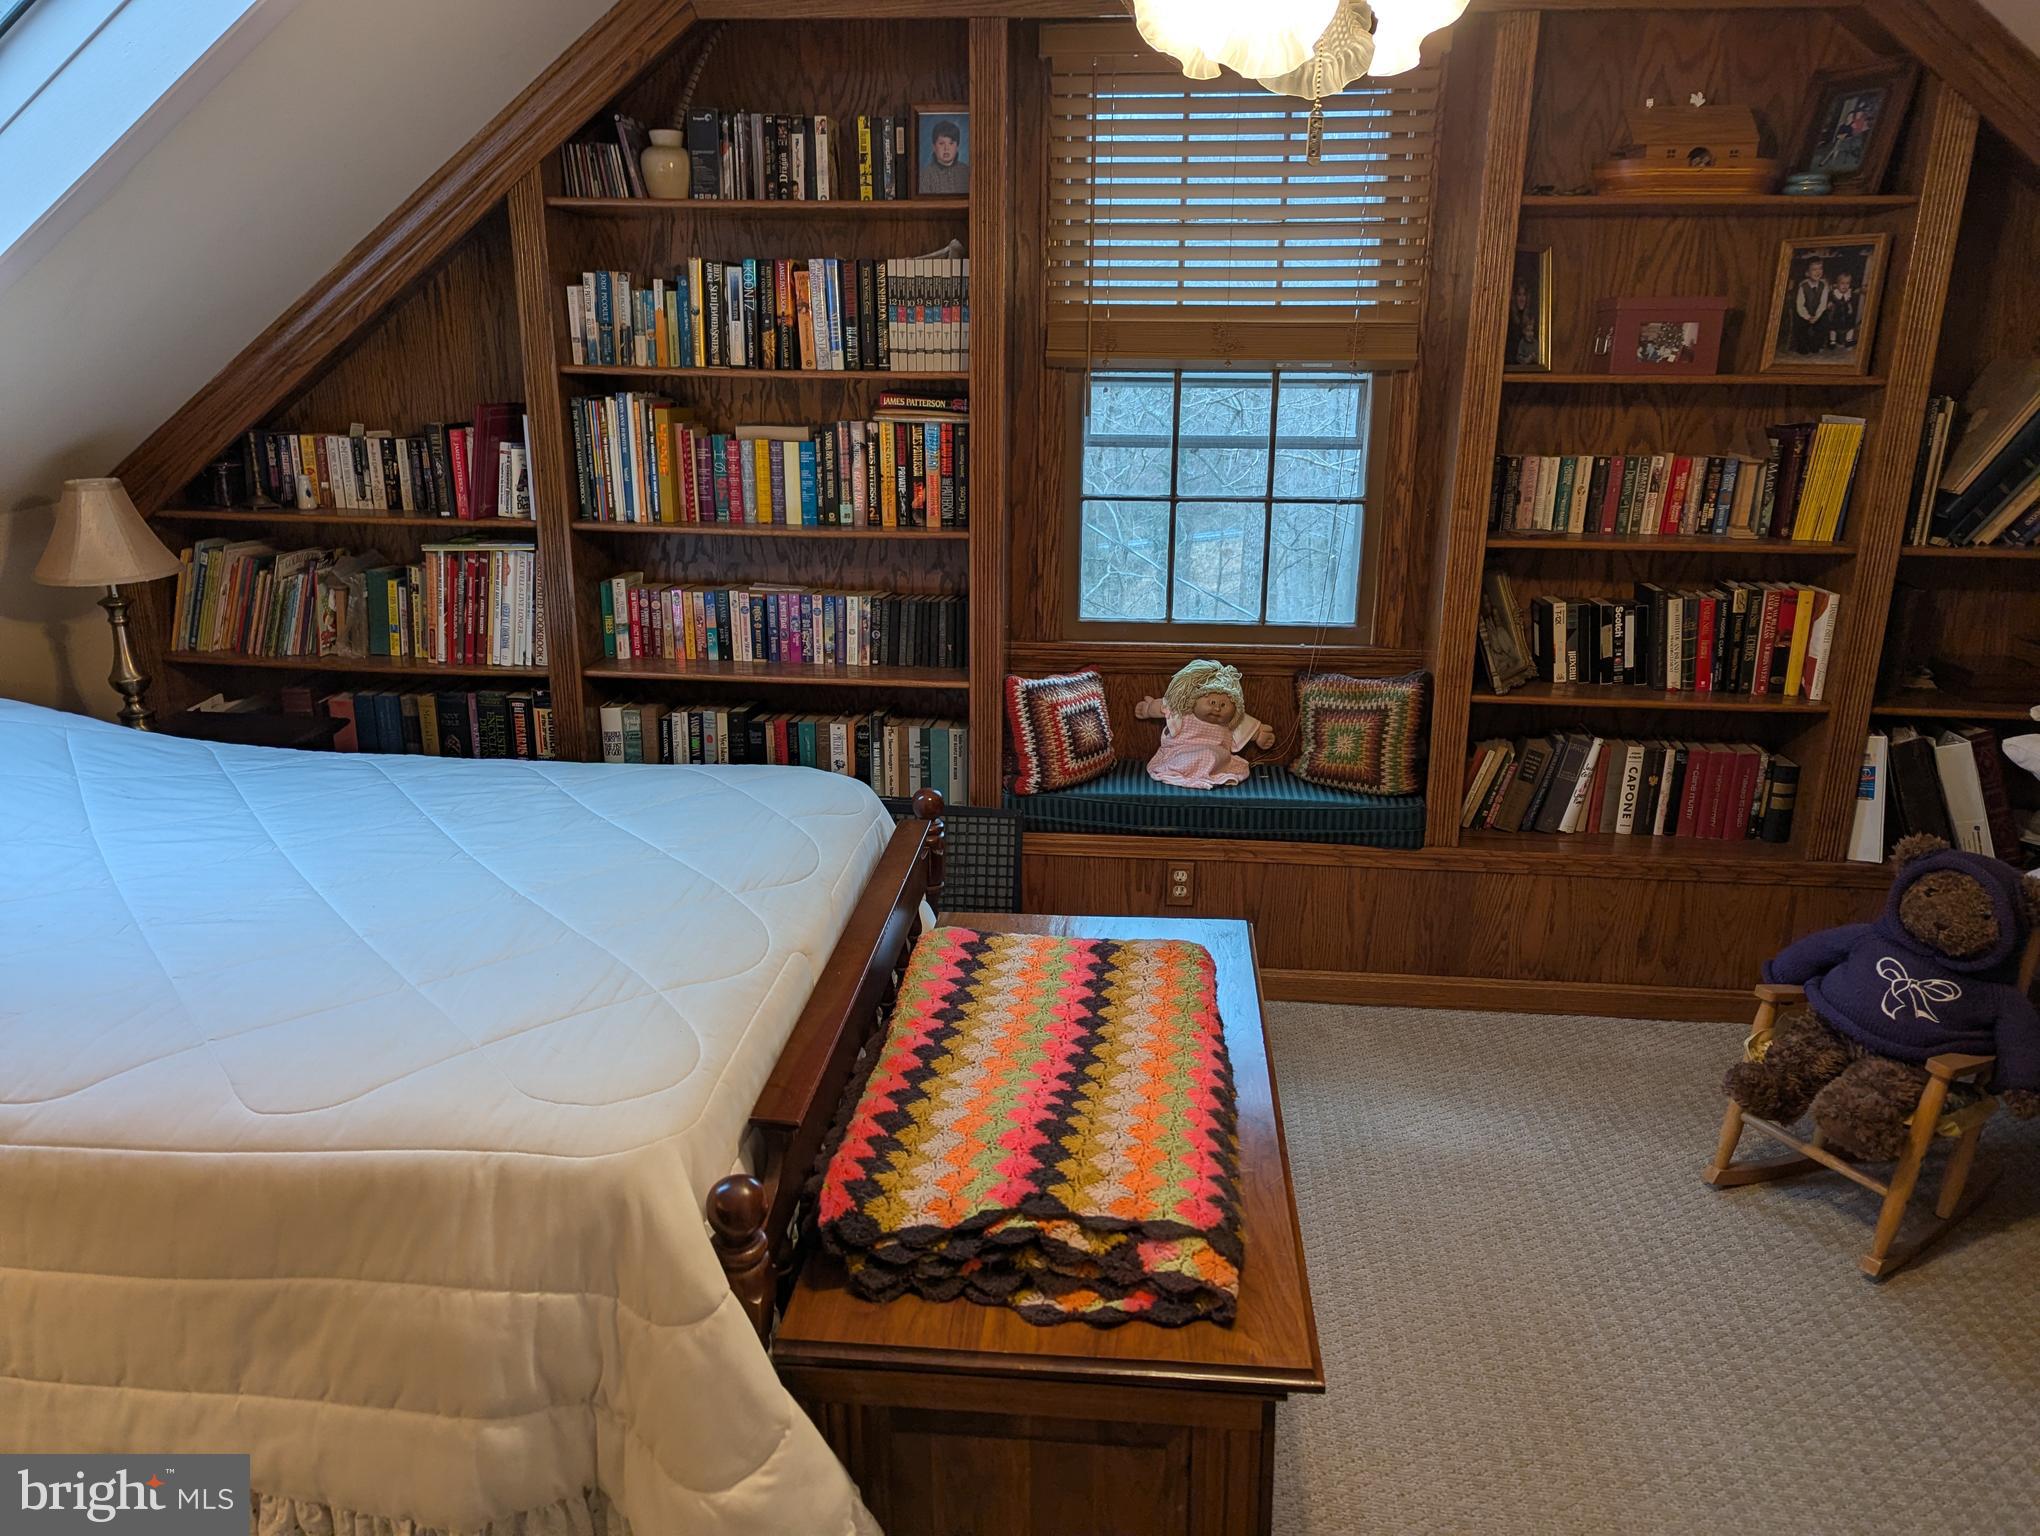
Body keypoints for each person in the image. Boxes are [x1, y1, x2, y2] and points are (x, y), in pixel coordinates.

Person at [1135, 660, 1275, 789]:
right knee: (1187, 758)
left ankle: (1202, 774)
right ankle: (1187, 773)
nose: (1217, 709)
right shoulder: (1184, 712)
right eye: (1212, 702)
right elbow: (1165, 706)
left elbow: (1249, 727)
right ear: (1195, 699)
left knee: (1210, 755)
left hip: (1217, 757)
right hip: (1181, 751)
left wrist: (1260, 735)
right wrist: (1149, 709)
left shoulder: (1231, 721)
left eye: (1223, 704)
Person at [1788, 257, 1829, 355]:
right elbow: (1800, 305)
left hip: (1817, 313)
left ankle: (1815, 345)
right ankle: (1802, 346)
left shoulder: (1824, 285)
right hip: (1804, 313)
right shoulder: (1803, 286)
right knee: (1800, 326)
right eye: (1814, 269)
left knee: (1823, 322)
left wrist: (1816, 316)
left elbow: (1823, 303)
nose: (1818, 272)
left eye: (1820, 268)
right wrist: (1807, 317)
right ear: (1807, 273)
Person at [919, 118, 969, 195]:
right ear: (934, 147)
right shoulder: (925, 176)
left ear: (957, 146)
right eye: (941, 143)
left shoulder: (966, 172)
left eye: (951, 143)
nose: (946, 148)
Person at [1823, 267, 1861, 356]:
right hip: (1836, 315)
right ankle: (1832, 341)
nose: (1845, 286)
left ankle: (1848, 340)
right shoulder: (1834, 294)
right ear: (1837, 284)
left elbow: (1850, 303)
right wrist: (1830, 304)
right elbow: (1830, 301)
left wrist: (1850, 307)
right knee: (1833, 328)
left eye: (1847, 283)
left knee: (1850, 327)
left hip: (1846, 316)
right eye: (1842, 283)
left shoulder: (1849, 294)